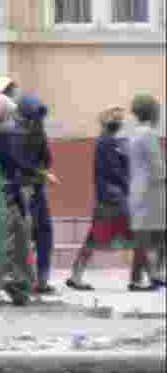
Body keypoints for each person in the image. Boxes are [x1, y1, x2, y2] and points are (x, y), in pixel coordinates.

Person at [65, 107, 132, 291]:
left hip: (109, 197)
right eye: (117, 119)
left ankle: (76, 275)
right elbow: (116, 171)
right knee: (136, 234)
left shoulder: (108, 141)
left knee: (96, 236)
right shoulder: (108, 142)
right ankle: (146, 277)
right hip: (113, 198)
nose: (120, 122)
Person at [0, 93, 36, 306]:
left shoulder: (5, 134)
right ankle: (18, 285)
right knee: (16, 243)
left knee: (12, 242)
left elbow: (11, 166)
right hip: (7, 195)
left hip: (6, 195)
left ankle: (15, 285)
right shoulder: (6, 132)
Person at [18, 94, 59, 295]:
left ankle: (40, 281)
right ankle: (30, 281)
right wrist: (41, 172)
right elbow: (22, 163)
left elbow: (48, 159)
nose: (37, 121)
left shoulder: (35, 132)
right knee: (28, 237)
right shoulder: (18, 133)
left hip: (34, 189)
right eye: (35, 116)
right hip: (23, 191)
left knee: (43, 234)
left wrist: (40, 171)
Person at [127, 94, 166, 291]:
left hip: (138, 190)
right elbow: (157, 166)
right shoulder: (149, 134)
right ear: (152, 112)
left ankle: (144, 277)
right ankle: (151, 276)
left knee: (144, 237)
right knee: (151, 238)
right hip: (151, 192)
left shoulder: (134, 134)